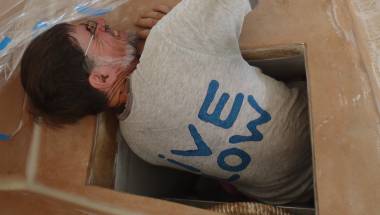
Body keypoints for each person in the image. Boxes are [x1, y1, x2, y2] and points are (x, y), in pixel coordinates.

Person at [21, 0, 313, 205]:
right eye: (93, 32)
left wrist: (182, 23)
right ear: (102, 77)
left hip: (285, 196)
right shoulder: (170, 43)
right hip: (322, 140)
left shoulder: (137, 141)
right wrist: (181, 14)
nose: (102, 21)